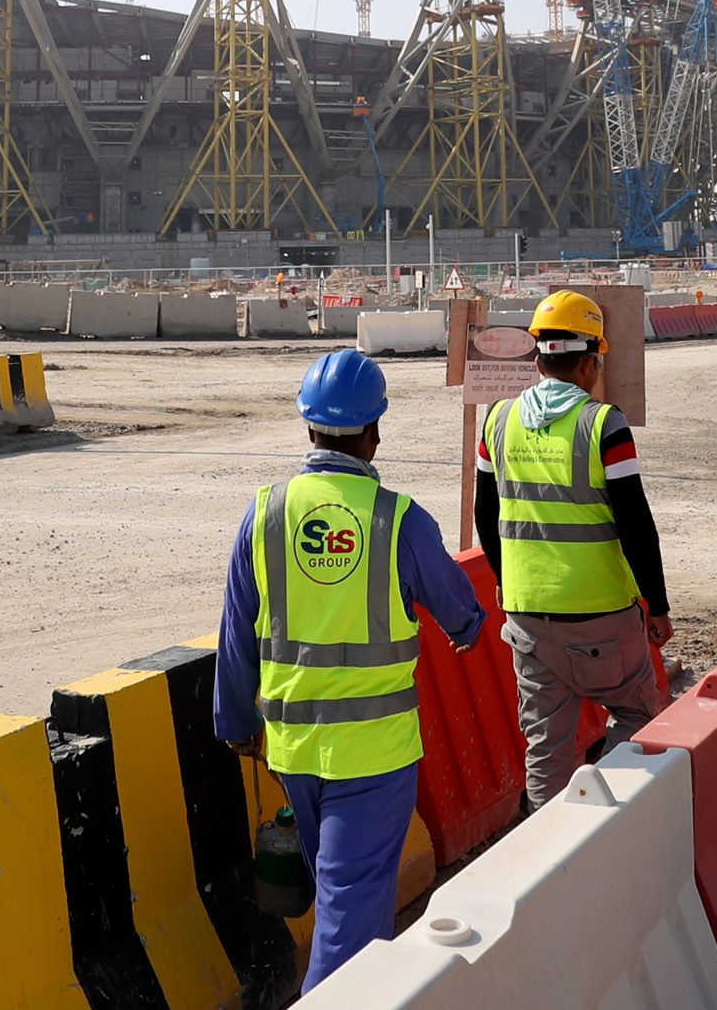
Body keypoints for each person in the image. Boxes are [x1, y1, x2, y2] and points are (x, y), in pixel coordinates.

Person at [214, 348, 485, 991]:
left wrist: (234, 723)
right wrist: (468, 633)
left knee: (339, 895)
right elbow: (461, 613)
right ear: (375, 432)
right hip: (373, 754)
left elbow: (236, 631)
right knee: (350, 922)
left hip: (293, 750)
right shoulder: (397, 519)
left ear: (309, 426)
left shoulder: (265, 513)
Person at [472, 289, 672, 808]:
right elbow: (636, 523)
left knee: (547, 749)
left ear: (538, 359)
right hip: (600, 612)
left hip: (527, 615)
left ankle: (548, 851)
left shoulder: (497, 421)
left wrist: (504, 578)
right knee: (636, 716)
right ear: (588, 363)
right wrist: (659, 605)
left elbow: (483, 514)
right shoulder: (605, 425)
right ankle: (611, 817)